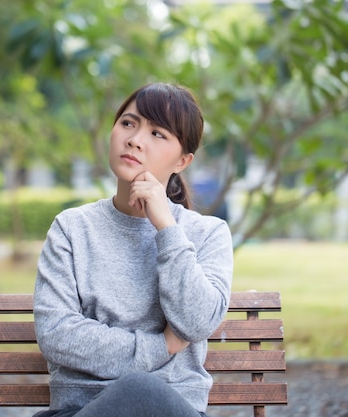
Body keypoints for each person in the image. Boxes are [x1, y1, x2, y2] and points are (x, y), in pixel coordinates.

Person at [33, 82, 234, 417]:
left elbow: (197, 323)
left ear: (183, 160)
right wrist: (163, 346)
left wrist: (166, 228)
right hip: (81, 411)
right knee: (138, 388)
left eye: (157, 133)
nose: (135, 139)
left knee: (144, 393)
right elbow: (57, 335)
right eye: (128, 123)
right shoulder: (72, 228)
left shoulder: (207, 233)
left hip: (172, 410)